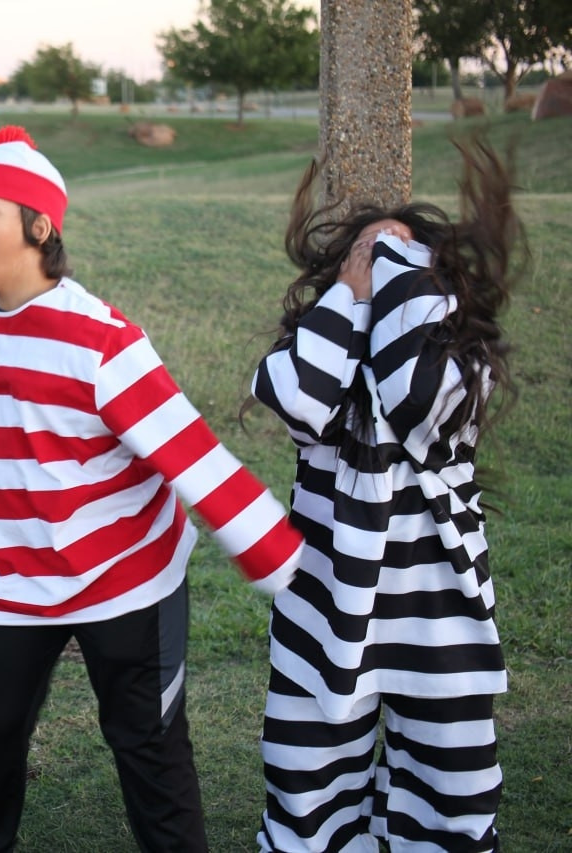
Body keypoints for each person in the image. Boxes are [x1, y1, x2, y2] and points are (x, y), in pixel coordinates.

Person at [0, 125, 304, 852]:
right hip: (12, 582)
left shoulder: (102, 340)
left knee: (147, 749)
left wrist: (279, 561)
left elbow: (193, 455)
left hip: (128, 578)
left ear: (39, 226)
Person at [246, 139, 525, 852]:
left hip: (439, 626)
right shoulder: (322, 360)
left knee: (448, 803)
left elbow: (413, 395)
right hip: (324, 619)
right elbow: (296, 399)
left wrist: (398, 270)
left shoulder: (459, 371)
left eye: (407, 260)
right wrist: (351, 293)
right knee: (311, 800)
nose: (384, 265)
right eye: (367, 256)